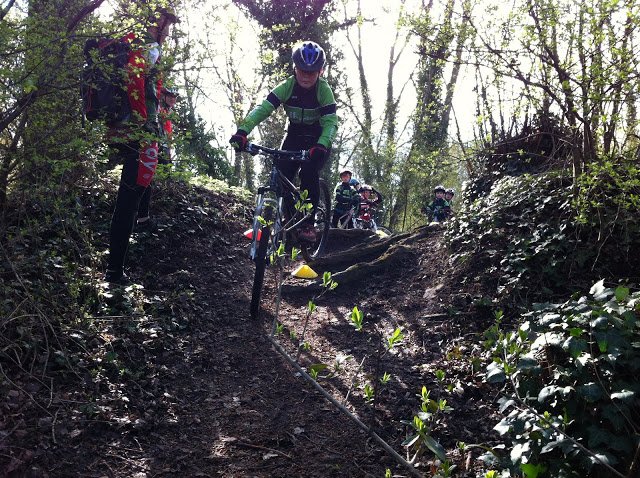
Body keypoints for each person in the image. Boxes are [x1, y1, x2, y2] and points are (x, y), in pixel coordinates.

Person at [229, 41, 338, 242]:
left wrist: (322, 145)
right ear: (294, 68)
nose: (306, 75)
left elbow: (331, 122)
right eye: (302, 70)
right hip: (294, 134)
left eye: (311, 71)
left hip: (318, 138)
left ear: (320, 71)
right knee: (281, 174)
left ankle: (308, 223)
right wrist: (242, 132)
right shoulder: (287, 86)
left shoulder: (324, 90)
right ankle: (288, 221)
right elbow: (263, 109)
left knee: (308, 171)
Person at [103, 5, 180, 284]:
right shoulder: (148, 47)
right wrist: (142, 122)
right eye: (167, 25)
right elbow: (135, 82)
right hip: (140, 132)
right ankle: (114, 272)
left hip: (126, 129)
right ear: (157, 22)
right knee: (130, 197)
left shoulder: (130, 42)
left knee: (131, 194)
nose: (168, 32)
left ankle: (116, 267)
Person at [136, 86, 178, 230]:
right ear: (163, 96)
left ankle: (153, 213)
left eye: (175, 96)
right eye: (170, 96)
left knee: (164, 178)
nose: (173, 99)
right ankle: (142, 217)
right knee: (146, 179)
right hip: (154, 146)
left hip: (163, 147)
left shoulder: (168, 111)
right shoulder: (157, 108)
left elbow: (167, 132)